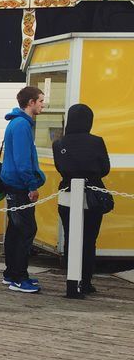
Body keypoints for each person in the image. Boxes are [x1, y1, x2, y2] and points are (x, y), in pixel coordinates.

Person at [53, 103, 111, 295]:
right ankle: (86, 281)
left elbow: (60, 168)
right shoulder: (97, 141)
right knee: (89, 238)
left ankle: (72, 280)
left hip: (67, 192)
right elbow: (105, 168)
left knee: (71, 237)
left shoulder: (59, 144)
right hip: (93, 194)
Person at [0, 84, 46, 293]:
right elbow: (22, 160)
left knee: (15, 230)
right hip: (20, 186)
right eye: (41, 101)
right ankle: (19, 277)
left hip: (12, 184)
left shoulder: (15, 123)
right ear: (31, 103)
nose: (43, 105)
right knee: (26, 230)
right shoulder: (22, 126)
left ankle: (11, 273)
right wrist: (32, 185)